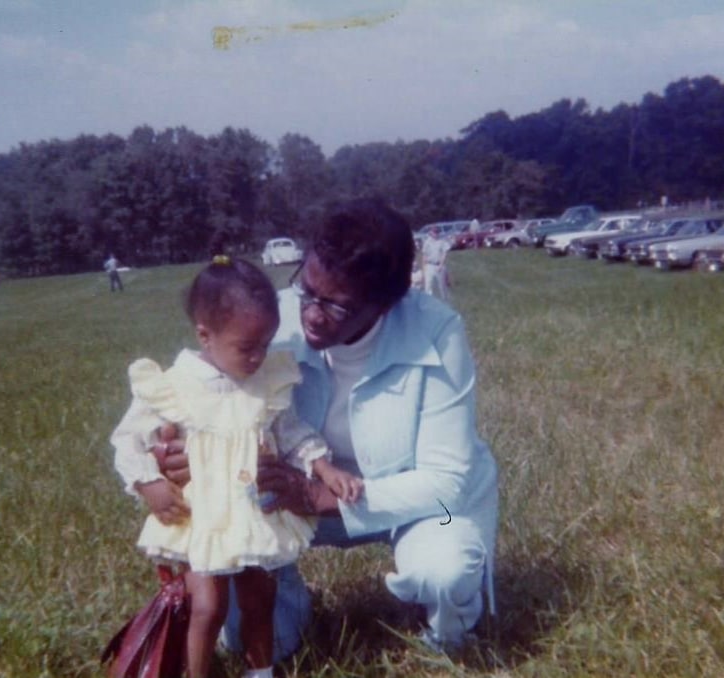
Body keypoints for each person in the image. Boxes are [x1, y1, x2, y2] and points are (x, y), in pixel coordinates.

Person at [152, 197, 499, 662]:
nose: (311, 314)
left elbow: (447, 483)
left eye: (335, 306)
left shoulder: (438, 332)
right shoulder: (275, 317)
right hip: (292, 500)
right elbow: (210, 387)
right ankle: (287, 602)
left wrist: (320, 496)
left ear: (387, 303)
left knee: (445, 568)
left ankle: (449, 628)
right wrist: (185, 451)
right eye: (307, 291)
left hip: (421, 502)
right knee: (246, 640)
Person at [111, 255, 363, 678]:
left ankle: (259, 671)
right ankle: (198, 671)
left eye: (265, 345)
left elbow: (292, 433)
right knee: (207, 605)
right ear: (205, 335)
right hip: (203, 516)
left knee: (259, 595)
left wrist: (323, 468)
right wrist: (148, 482)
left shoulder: (265, 383)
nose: (258, 358)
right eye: (246, 347)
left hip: (253, 509)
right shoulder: (174, 387)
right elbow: (127, 440)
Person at [421, 225, 452, 300]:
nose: (436, 234)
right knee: (428, 286)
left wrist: (441, 265)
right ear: (431, 232)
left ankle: (445, 303)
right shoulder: (427, 242)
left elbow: (444, 254)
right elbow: (424, 255)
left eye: (437, 232)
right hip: (429, 265)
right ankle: (429, 302)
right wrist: (424, 268)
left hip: (439, 265)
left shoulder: (442, 241)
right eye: (434, 232)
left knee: (442, 286)